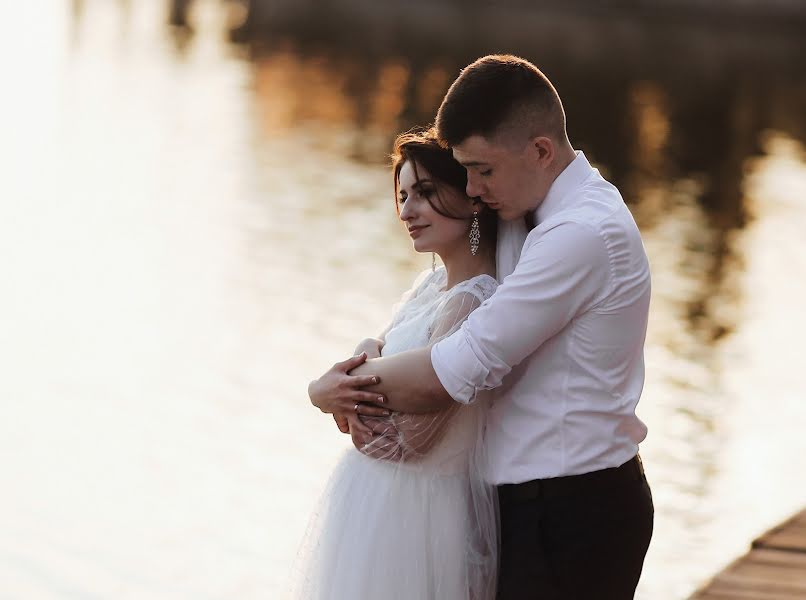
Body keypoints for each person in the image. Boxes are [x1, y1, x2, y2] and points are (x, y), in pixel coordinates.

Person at [310, 55, 654, 600]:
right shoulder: (522, 209)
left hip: (572, 510)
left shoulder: (582, 234)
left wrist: (331, 390)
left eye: (482, 170)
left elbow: (455, 368)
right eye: (465, 170)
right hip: (517, 505)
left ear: (541, 151)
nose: (471, 189)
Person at [297, 127, 500, 600]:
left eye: (426, 193)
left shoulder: (473, 303)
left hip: (419, 517)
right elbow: (373, 359)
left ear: (471, 198)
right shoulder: (430, 289)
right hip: (379, 505)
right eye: (404, 195)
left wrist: (334, 392)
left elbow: (413, 441)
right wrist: (346, 386)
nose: (407, 211)